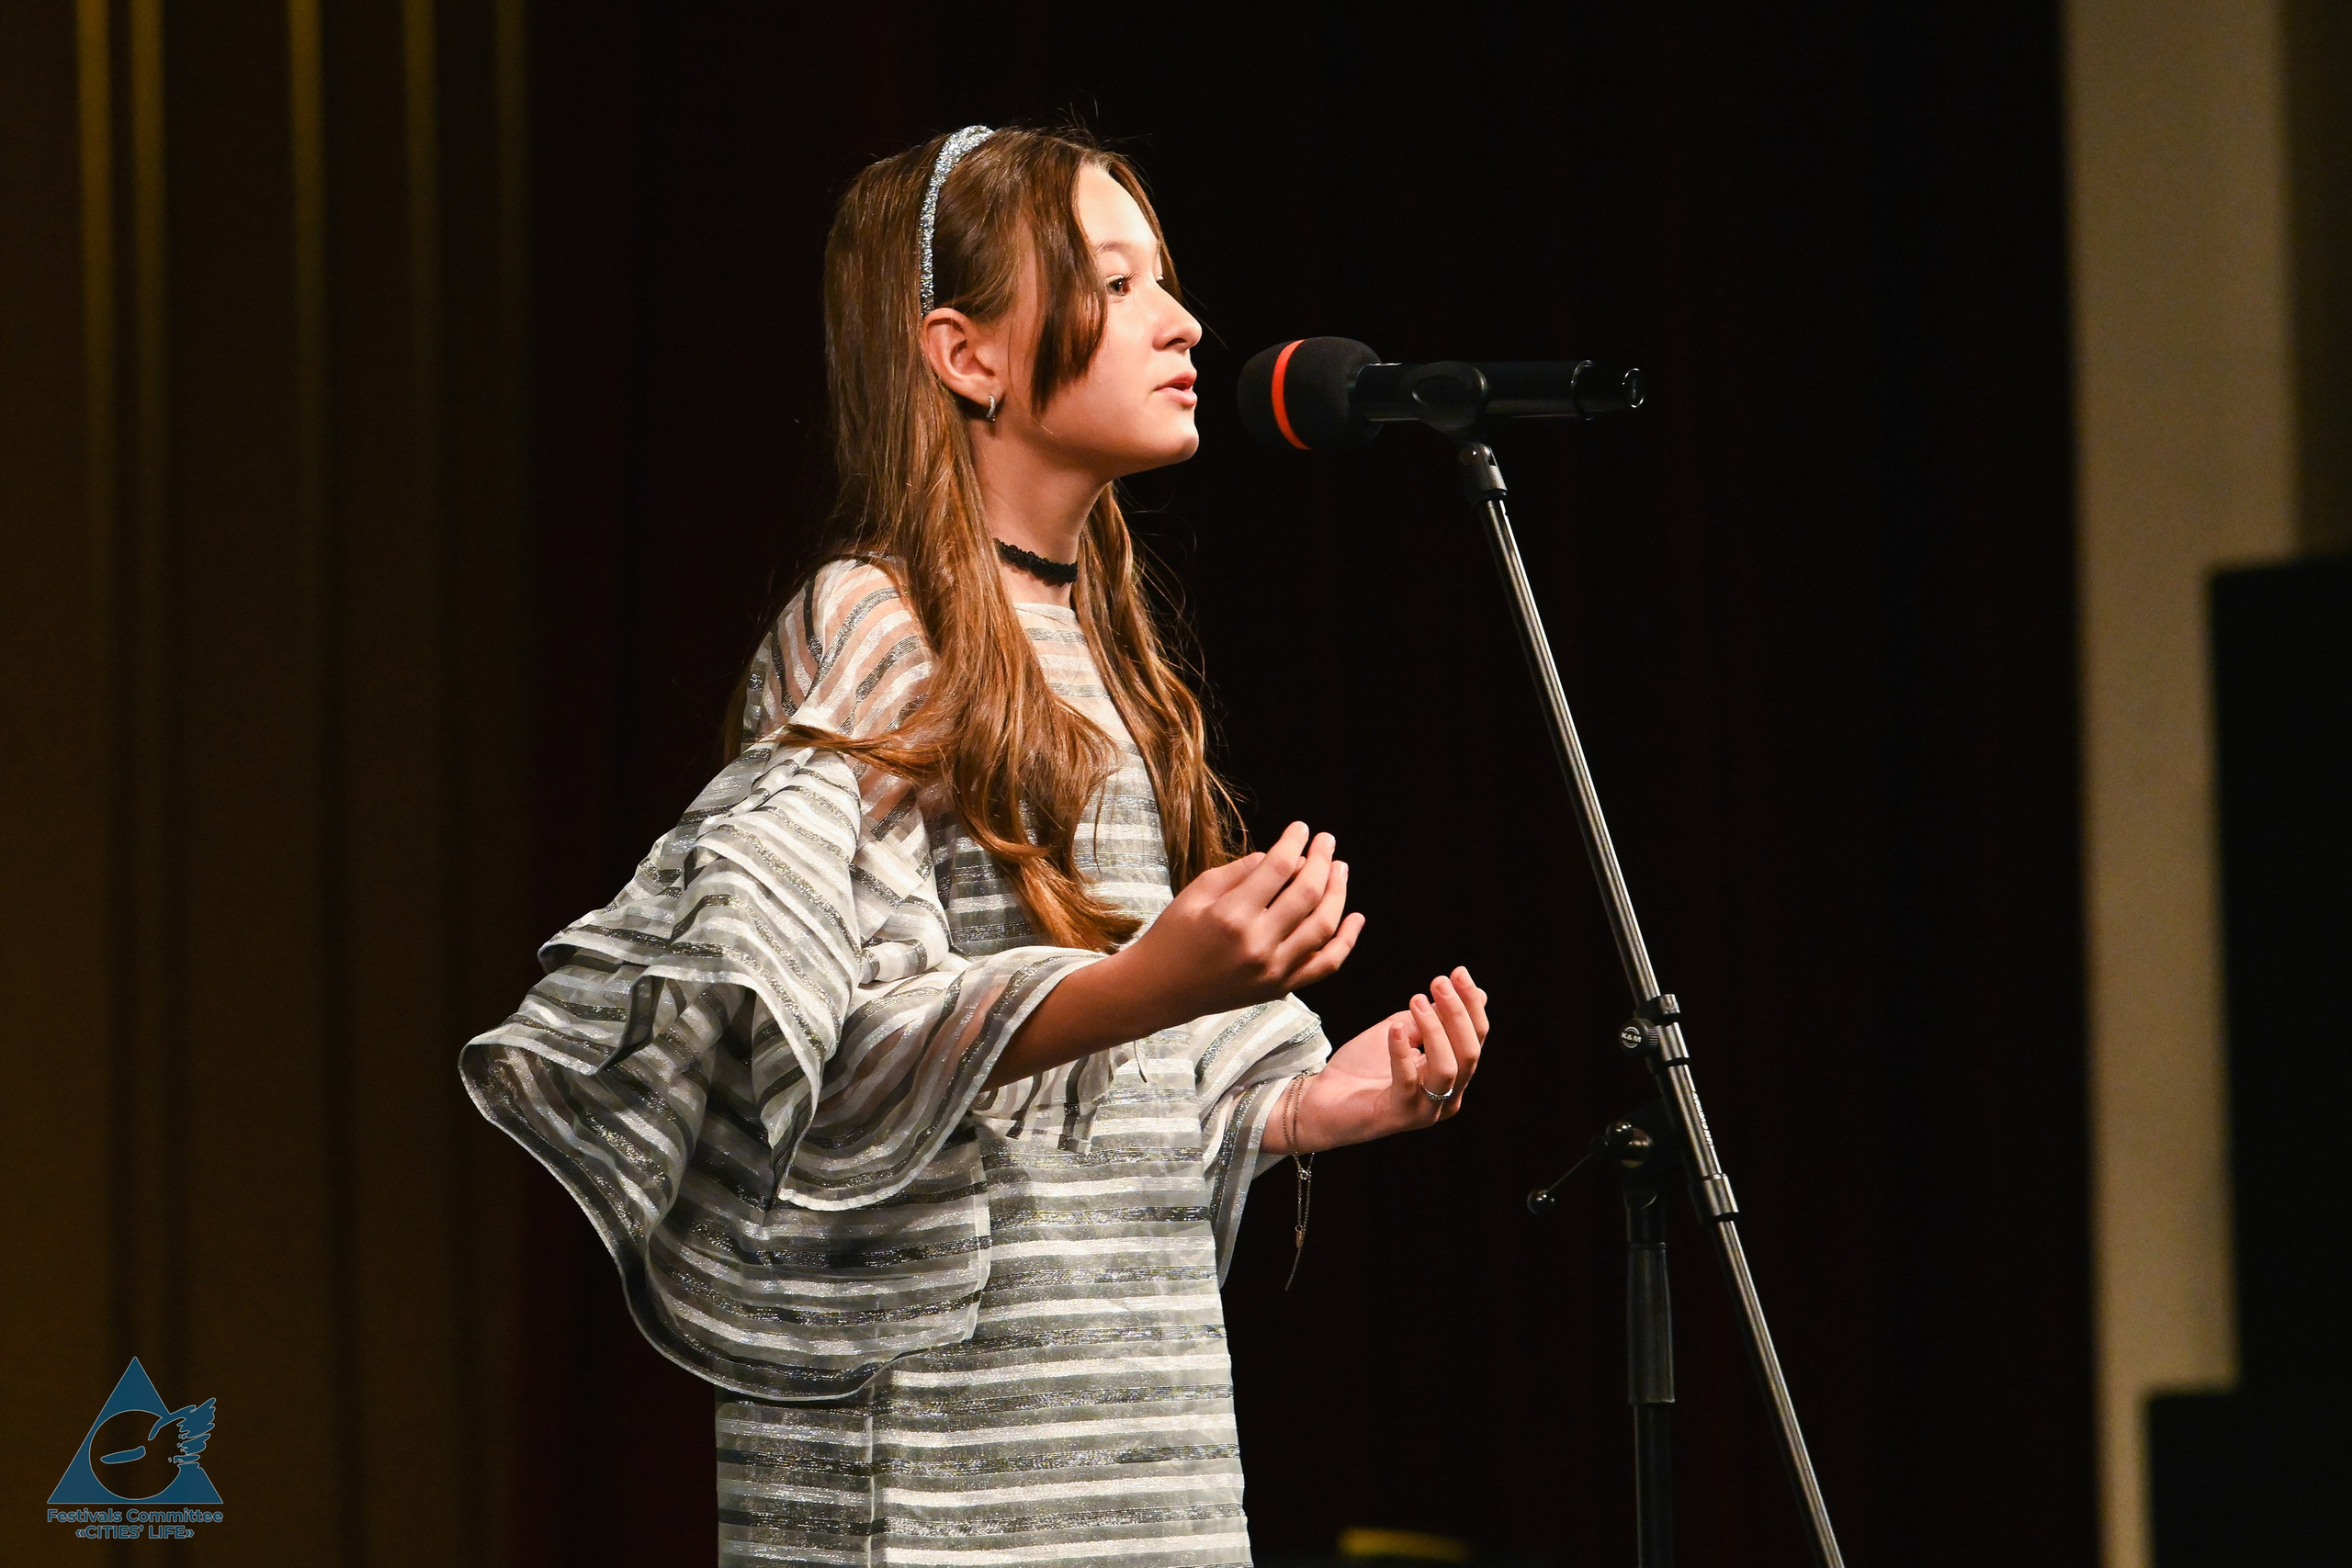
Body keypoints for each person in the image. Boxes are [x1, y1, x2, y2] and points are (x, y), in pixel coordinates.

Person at [460, 123, 1492, 1567]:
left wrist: (1294, 1105)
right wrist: (1153, 983)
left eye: (1165, 282)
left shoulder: (1108, 656)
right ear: (967, 355)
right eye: (1118, 283)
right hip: (947, 1462)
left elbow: (1087, 1094)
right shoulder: (876, 627)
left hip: (1135, 1428)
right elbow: (817, 1042)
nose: (1184, 321)